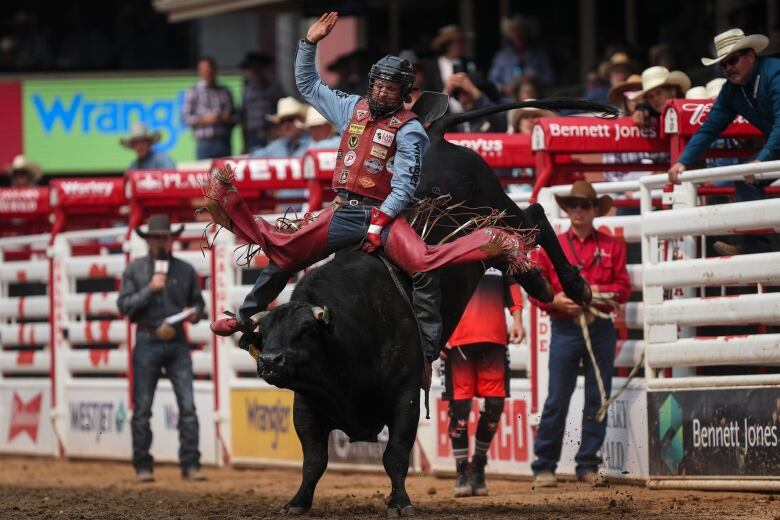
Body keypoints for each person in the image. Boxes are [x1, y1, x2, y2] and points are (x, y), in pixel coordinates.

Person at [209, 12, 527, 374]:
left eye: (391, 89)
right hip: (343, 211)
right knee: (285, 252)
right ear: (372, 83)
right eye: (379, 85)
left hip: (385, 216)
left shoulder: (409, 130)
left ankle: (426, 349)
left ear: (402, 94)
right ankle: (245, 317)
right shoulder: (352, 108)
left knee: (423, 264)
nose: (382, 92)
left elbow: (406, 183)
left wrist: (379, 223)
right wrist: (310, 43)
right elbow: (308, 84)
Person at [530, 181, 631, 488]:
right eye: (573, 205)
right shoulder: (553, 246)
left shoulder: (613, 245)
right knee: (557, 398)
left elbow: (623, 288)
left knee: (596, 397)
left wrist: (596, 294)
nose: (578, 210)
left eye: (584, 205)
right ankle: (544, 465)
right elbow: (537, 286)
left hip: (599, 328)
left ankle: (587, 463)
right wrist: (554, 301)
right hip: (566, 327)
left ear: (593, 210)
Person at [667, 28, 780, 256]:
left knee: (751, 175)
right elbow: (710, 128)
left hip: (774, 146)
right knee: (747, 180)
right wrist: (683, 161)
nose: (728, 68)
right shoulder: (731, 91)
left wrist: (762, 159)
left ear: (750, 56)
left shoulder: (775, 73)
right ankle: (758, 246)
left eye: (733, 60)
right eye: (724, 64)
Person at [117, 214, 206, 483]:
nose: (160, 242)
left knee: (187, 406)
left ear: (170, 240)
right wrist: (150, 290)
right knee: (142, 408)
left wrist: (194, 314)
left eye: (164, 237)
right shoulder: (135, 270)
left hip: (176, 341)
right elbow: (124, 306)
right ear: (149, 241)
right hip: (148, 339)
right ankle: (143, 465)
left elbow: (199, 306)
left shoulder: (185, 270)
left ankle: (190, 464)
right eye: (156, 237)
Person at [442, 268, 524, 497]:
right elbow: (434, 291)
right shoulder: (450, 247)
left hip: (495, 339)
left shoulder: (498, 252)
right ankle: (461, 473)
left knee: (495, 405)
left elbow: (513, 285)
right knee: (460, 408)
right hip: (457, 342)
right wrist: (434, 334)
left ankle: (478, 467)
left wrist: (518, 320)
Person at [182, 56, 237, 160]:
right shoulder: (193, 91)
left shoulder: (224, 91)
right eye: (204, 70)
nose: (207, 73)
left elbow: (236, 117)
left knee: (225, 175)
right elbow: (185, 119)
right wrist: (205, 119)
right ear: (200, 72)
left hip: (224, 140)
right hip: (204, 142)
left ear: (215, 71)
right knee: (205, 174)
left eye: (209, 70)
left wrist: (224, 118)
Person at [488, 14, 554, 97]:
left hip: (535, 101)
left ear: (527, 32)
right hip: (507, 103)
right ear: (510, 34)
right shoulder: (501, 57)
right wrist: (504, 88)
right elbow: (491, 83)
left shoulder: (539, 54)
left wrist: (534, 79)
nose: (518, 34)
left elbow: (550, 79)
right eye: (514, 31)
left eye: (522, 30)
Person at [239, 51, 285, 153]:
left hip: (270, 135)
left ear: (264, 69)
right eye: (252, 69)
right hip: (252, 136)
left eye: (258, 68)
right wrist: (244, 143)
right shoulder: (246, 92)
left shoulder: (274, 89)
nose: (255, 72)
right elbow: (243, 119)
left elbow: (284, 111)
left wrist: (278, 130)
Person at [422, 24, 478, 93]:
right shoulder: (431, 66)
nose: (462, 45)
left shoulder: (469, 63)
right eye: (458, 42)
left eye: (462, 41)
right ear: (447, 45)